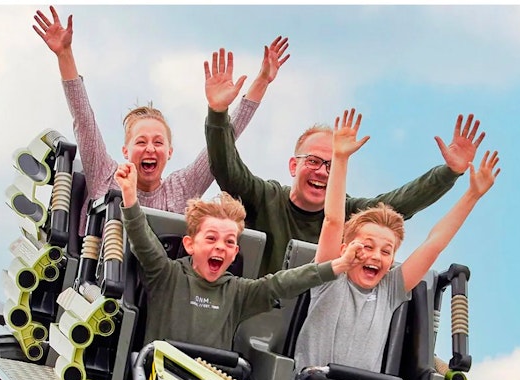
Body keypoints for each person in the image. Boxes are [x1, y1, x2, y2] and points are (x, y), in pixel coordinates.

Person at [294, 109, 500, 380]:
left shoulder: (391, 288)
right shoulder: (329, 274)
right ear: (345, 247)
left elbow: (434, 243)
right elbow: (334, 219)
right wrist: (340, 159)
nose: (376, 256)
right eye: (367, 245)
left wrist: (471, 195)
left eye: (386, 251)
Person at [33, 6, 290, 235]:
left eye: (158, 143)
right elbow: (83, 119)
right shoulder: (105, 175)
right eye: (141, 142)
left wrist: (260, 83)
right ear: (126, 150)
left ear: (169, 152)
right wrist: (64, 54)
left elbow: (224, 144)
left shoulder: (181, 188)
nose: (150, 149)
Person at [205, 81, 485, 275]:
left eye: (331, 164)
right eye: (313, 161)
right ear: (294, 165)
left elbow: (400, 203)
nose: (321, 172)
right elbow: (228, 169)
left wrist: (449, 172)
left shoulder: (351, 214)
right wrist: (218, 114)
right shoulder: (265, 197)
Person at [113, 163, 364, 352]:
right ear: (189, 244)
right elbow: (142, 239)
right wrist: (129, 193)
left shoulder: (238, 292)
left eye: (229, 242)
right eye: (211, 238)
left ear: (235, 254)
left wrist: (337, 266)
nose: (220, 247)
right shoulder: (166, 275)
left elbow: (282, 283)